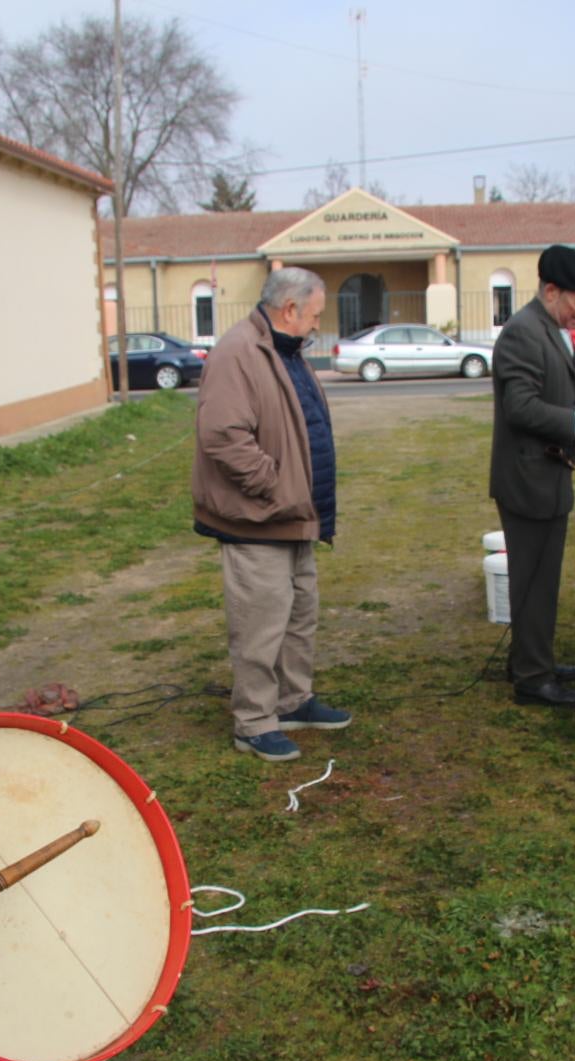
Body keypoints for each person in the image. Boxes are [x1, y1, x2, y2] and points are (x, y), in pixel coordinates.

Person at [192, 266, 351, 762]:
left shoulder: (284, 351)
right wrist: (275, 486)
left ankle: (292, 700)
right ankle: (254, 721)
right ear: (290, 310)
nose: (316, 326)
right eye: (315, 316)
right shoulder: (239, 352)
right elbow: (223, 436)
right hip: (258, 518)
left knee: (299, 615)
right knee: (260, 624)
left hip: (295, 516)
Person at [489, 244, 575, 708]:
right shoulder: (523, 332)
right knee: (533, 582)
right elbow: (520, 407)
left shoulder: (550, 328)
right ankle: (533, 680)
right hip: (528, 479)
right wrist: (572, 424)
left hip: (546, 474)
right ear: (551, 290)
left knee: (542, 579)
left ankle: (531, 659)